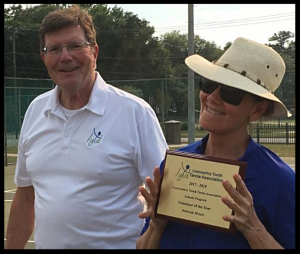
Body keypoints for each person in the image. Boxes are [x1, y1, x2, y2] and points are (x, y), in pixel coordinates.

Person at [5, 5, 168, 249]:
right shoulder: (35, 111)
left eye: (75, 46)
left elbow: (167, 199)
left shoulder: (135, 113)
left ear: (94, 52)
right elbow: (26, 197)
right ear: (44, 57)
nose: (65, 57)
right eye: (55, 49)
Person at [136, 37, 295, 249]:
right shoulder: (176, 165)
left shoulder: (279, 181)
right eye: (209, 84)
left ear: (256, 110)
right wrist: (157, 223)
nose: (212, 97)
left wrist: (253, 228)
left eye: (232, 93)